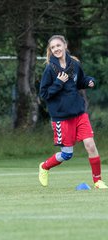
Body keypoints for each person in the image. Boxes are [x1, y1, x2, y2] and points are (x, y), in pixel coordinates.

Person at [39, 35, 107, 189]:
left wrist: (89, 81)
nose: (56, 49)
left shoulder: (74, 64)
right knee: (67, 154)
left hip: (79, 113)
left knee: (90, 145)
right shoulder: (50, 69)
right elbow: (44, 94)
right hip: (61, 117)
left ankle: (98, 181)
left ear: (65, 45)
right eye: (53, 47)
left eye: (58, 45)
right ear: (51, 50)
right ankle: (44, 167)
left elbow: (81, 80)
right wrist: (58, 82)